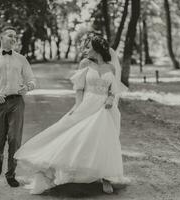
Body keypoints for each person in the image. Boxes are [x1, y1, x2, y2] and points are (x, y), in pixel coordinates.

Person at [14, 34, 126, 194]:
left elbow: (113, 90)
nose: (85, 50)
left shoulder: (111, 67)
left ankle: (105, 177)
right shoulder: (85, 64)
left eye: (88, 47)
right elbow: (79, 89)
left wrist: (110, 98)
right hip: (87, 103)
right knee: (72, 135)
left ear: (97, 49)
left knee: (103, 140)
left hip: (104, 108)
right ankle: (50, 172)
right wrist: (78, 106)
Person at [0, 25, 36, 187]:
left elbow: (32, 80)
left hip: (17, 102)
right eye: (10, 35)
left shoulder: (21, 59)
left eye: (15, 36)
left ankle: (11, 173)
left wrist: (27, 87)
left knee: (15, 139)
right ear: (1, 37)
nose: (13, 39)